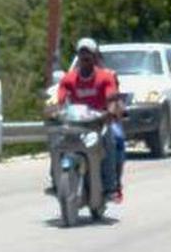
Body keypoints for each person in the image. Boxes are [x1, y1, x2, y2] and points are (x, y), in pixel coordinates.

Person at [50, 38, 125, 202]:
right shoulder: (68, 79)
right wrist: (55, 111)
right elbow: (60, 100)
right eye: (81, 53)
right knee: (56, 142)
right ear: (77, 55)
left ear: (95, 56)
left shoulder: (105, 77)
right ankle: (55, 180)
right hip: (75, 124)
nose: (85, 57)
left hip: (99, 122)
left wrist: (110, 112)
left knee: (111, 141)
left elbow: (112, 98)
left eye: (88, 54)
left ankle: (111, 186)